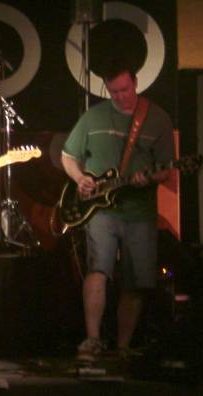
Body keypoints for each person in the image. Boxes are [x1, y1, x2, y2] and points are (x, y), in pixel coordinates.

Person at [61, 62, 174, 361]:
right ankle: (93, 339)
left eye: (124, 90)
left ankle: (123, 347)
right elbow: (68, 155)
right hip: (100, 209)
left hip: (140, 211)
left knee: (135, 280)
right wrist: (80, 178)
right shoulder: (94, 116)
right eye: (113, 92)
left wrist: (149, 177)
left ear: (135, 82)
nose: (120, 96)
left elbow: (166, 169)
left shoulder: (158, 119)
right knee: (97, 269)